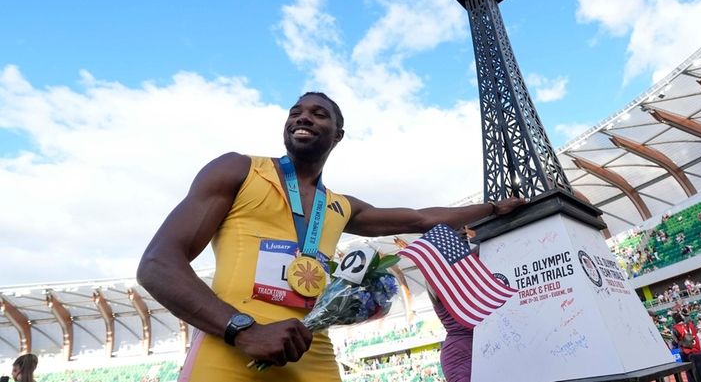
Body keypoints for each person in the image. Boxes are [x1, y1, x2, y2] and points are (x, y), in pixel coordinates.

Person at [137, 92, 528, 382]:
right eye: (295, 112)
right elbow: (157, 264)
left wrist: (493, 208)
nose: (302, 117)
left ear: (338, 135)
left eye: (318, 113)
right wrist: (243, 330)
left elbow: (422, 217)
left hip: (314, 355)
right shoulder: (237, 170)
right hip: (229, 351)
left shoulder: (340, 206)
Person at [672, 312, 700, 382]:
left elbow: (675, 341)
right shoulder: (690, 324)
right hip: (697, 349)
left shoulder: (675, 328)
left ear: (674, 320)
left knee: (690, 371)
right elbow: (695, 333)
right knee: (699, 369)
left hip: (686, 351)